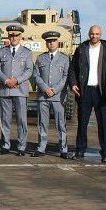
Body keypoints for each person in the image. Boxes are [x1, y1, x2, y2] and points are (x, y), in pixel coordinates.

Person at [68, 25, 106, 163]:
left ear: (101, 34)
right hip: (85, 91)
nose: (94, 36)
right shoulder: (81, 49)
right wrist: (73, 83)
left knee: (103, 124)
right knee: (82, 123)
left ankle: (105, 153)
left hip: (102, 91)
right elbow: (72, 68)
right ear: (88, 34)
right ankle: (80, 150)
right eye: (92, 34)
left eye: (97, 34)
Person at [0, 25, 33, 156]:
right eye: (11, 35)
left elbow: (29, 70)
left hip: (20, 90)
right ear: (9, 37)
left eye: (16, 35)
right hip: (5, 90)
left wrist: (16, 80)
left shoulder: (27, 52)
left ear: (20, 36)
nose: (14, 38)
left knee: (21, 120)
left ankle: (21, 147)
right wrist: (6, 80)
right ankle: (5, 145)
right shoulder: (1, 52)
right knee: (4, 120)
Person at [32, 31, 70, 159]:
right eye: (49, 41)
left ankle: (63, 149)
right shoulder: (40, 58)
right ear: (46, 43)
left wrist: (55, 90)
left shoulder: (64, 58)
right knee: (42, 123)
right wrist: (45, 88)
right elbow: (36, 75)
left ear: (57, 42)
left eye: (53, 41)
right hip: (43, 96)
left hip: (58, 97)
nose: (51, 43)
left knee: (61, 124)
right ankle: (41, 147)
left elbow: (65, 77)